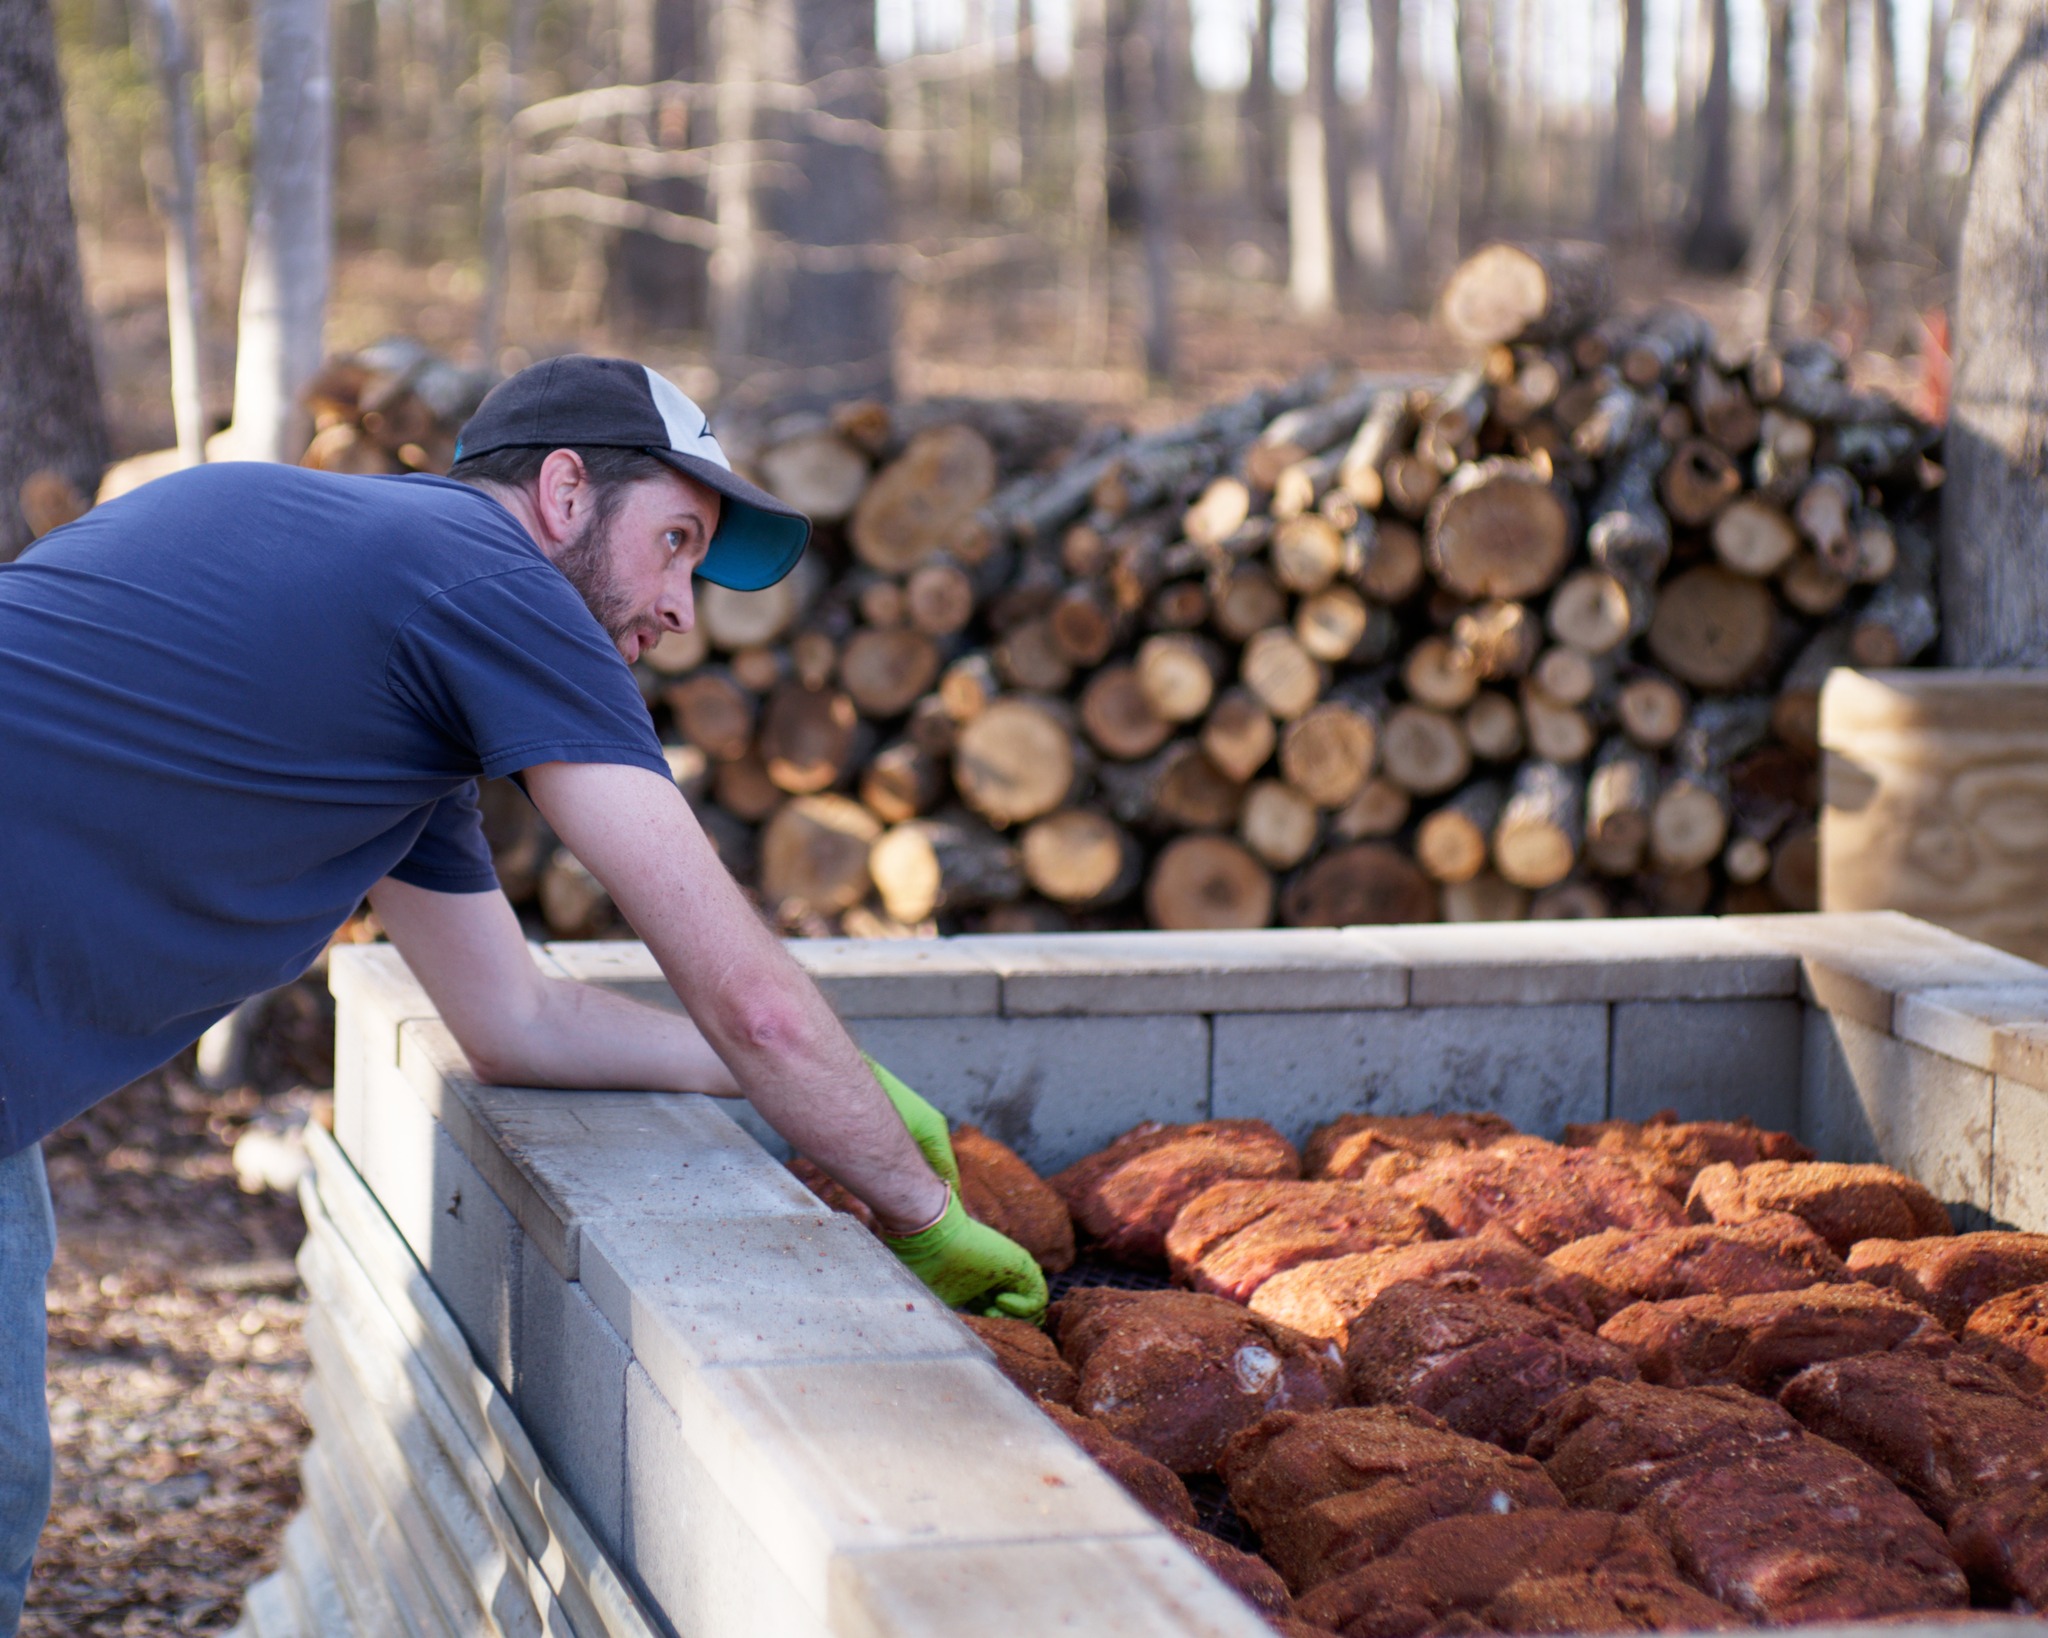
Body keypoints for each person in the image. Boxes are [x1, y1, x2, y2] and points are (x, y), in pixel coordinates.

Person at [0, 355, 1046, 1634]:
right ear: (561, 492)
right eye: (674, 544)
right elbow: (746, 993)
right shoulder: (493, 587)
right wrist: (920, 1208)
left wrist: (821, 1088)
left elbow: (514, 1020)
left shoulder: (379, 636)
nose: (680, 610)